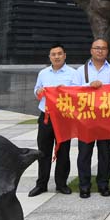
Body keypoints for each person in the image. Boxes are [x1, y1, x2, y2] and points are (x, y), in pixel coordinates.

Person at [29, 43, 76, 197]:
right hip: (46, 117)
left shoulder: (73, 73)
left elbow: (78, 94)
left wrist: (66, 91)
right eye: (53, 54)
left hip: (64, 117)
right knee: (43, 151)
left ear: (65, 55)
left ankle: (61, 184)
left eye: (59, 54)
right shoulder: (43, 73)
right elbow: (36, 91)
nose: (57, 57)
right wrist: (40, 91)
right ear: (49, 57)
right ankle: (41, 184)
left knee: (63, 151)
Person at [73, 38, 110, 199]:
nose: (100, 51)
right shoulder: (80, 71)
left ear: (107, 51)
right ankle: (84, 186)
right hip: (86, 118)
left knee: (105, 153)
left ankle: (103, 184)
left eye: (103, 48)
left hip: (105, 118)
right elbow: (74, 91)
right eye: (97, 48)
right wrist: (89, 86)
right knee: (84, 153)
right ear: (91, 50)